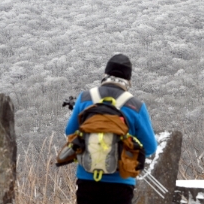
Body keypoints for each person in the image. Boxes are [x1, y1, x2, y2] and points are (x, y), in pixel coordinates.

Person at [65, 54, 157, 204]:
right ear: (129, 79)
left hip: (87, 178)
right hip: (121, 183)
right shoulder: (136, 106)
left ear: (105, 74)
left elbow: (70, 132)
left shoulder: (85, 98)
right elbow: (150, 147)